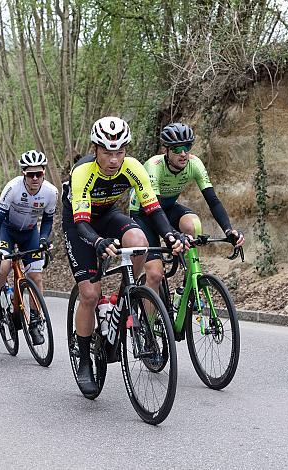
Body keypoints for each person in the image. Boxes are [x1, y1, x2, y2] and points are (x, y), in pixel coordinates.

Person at [61, 116, 183, 396]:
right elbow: (81, 222)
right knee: (90, 295)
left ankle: (127, 293)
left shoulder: (133, 168)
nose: (114, 159)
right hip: (80, 223)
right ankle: (83, 358)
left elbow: (153, 209)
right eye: (107, 152)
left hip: (107, 215)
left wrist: (170, 235)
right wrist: (97, 241)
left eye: (120, 152)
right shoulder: (82, 172)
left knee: (139, 241)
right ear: (95, 150)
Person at [130, 122, 245, 295]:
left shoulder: (195, 164)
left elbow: (213, 201)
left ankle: (187, 287)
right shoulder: (154, 166)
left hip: (167, 208)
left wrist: (229, 230)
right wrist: (172, 235)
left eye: (187, 147)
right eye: (176, 149)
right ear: (165, 150)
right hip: (144, 213)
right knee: (155, 275)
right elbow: (154, 210)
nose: (183, 154)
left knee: (193, 225)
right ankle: (148, 319)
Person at [0, 150, 58, 345]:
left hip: (30, 233)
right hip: (7, 231)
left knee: (36, 276)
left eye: (39, 174)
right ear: (23, 174)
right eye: (30, 174)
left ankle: (35, 320)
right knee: (3, 266)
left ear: (44, 172)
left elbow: (48, 220)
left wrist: (44, 238)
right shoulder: (12, 188)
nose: (35, 178)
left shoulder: (51, 192)